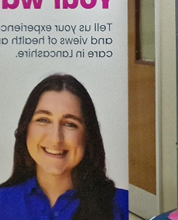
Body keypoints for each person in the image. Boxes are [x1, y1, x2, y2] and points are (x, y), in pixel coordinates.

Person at [0, 73, 128, 219]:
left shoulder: (123, 205)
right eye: (43, 120)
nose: (56, 139)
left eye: (70, 124)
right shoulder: (2, 201)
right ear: (26, 128)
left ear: (88, 136)